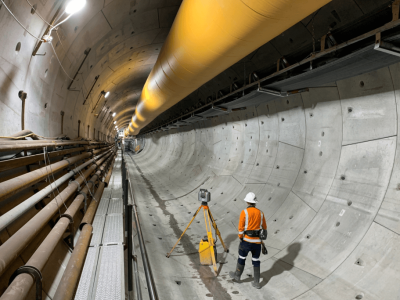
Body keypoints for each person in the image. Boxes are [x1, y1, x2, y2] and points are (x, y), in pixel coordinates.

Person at [229, 192, 267, 289]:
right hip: (257, 243)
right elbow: (264, 228)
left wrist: (240, 237)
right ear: (254, 202)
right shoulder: (261, 213)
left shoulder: (244, 212)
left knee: (242, 257)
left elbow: (241, 228)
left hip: (246, 241)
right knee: (256, 260)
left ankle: (237, 276)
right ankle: (257, 282)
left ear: (247, 202)